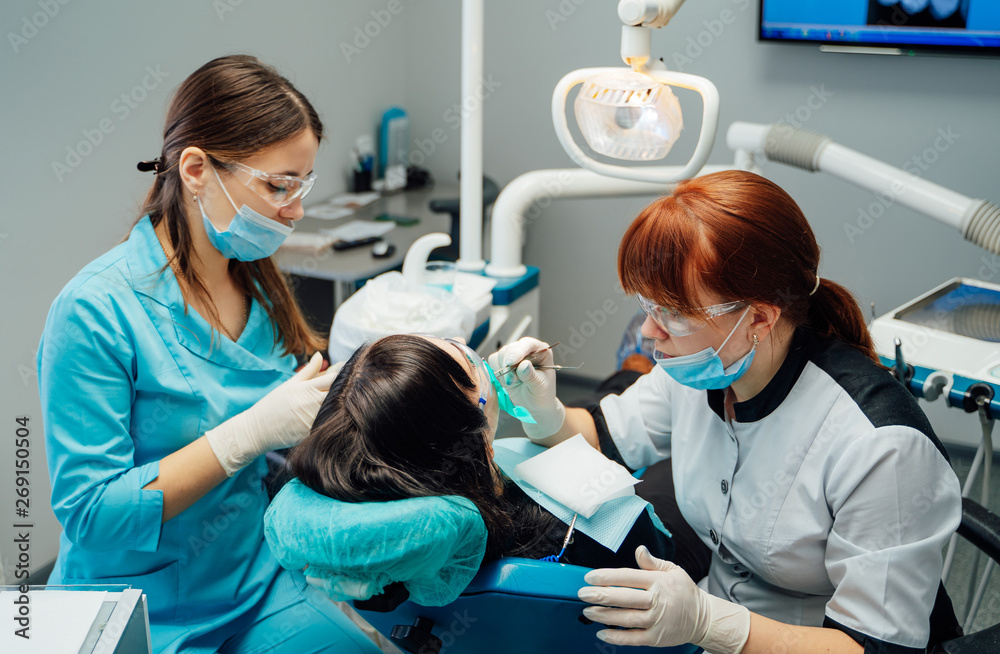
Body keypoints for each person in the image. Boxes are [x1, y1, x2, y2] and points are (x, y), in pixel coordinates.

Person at [489, 170, 963, 653]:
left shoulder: (880, 447)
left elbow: (875, 649)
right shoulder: (702, 370)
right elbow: (603, 437)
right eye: (647, 306)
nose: (650, 333)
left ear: (759, 317)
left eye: (673, 313)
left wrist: (714, 625)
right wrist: (544, 410)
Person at [38, 56, 383, 654]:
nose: (295, 210)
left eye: (303, 184)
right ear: (196, 169)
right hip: (136, 606)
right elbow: (92, 516)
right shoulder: (95, 312)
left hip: (252, 580)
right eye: (279, 185)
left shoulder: (258, 287)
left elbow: (289, 444)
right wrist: (245, 435)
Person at [287, 333, 674, 569]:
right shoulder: (607, 525)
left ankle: (632, 371)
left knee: (606, 396)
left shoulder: (395, 534)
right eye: (464, 359)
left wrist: (549, 417)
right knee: (664, 476)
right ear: (476, 438)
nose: (468, 348)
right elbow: (660, 556)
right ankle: (634, 370)